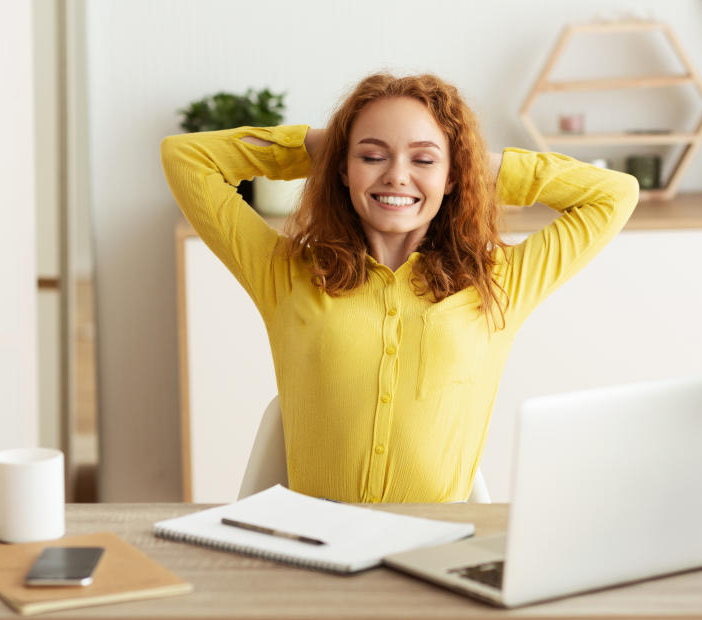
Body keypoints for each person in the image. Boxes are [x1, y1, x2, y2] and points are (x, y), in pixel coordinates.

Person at [160, 73, 638, 504]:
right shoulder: (286, 272)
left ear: (453, 176)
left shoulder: (499, 280)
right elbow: (185, 157)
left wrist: (471, 160)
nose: (396, 176)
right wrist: (319, 146)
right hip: (315, 552)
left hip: (437, 555)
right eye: (371, 155)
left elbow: (614, 194)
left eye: (424, 160)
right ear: (342, 170)